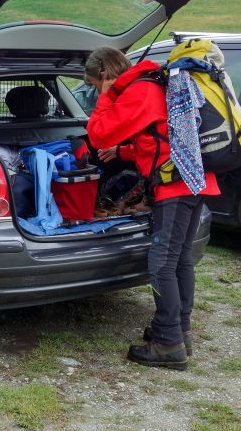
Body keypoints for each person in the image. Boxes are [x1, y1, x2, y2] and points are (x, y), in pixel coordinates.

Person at [84, 46, 219, 371]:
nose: (95, 92)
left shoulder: (137, 89)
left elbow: (97, 134)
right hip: (194, 178)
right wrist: (125, 152)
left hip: (176, 184)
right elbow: (156, 139)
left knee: (161, 263)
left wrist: (108, 94)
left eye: (93, 83)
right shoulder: (150, 83)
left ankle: (168, 343)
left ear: (102, 72)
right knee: (180, 258)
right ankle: (178, 330)